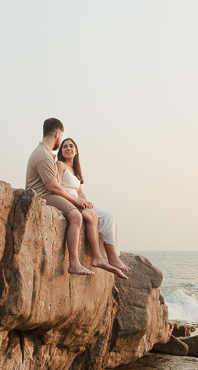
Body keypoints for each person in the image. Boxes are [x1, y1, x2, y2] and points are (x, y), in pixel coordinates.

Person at [25, 119, 126, 279]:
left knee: (96, 215)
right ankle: (75, 262)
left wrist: (82, 200)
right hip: (44, 195)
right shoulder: (44, 155)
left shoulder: (46, 153)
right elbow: (53, 186)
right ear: (58, 134)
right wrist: (76, 201)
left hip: (49, 193)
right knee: (76, 215)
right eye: (63, 141)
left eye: (71, 146)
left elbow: (70, 189)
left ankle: (100, 257)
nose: (66, 146)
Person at [57, 138, 131, 274]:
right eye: (65, 146)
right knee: (92, 215)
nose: (68, 148)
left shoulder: (75, 170)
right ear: (61, 151)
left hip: (79, 201)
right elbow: (58, 187)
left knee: (108, 217)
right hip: (68, 201)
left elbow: (80, 191)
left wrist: (86, 201)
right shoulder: (60, 165)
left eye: (71, 146)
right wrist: (77, 201)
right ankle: (97, 257)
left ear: (76, 151)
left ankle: (112, 257)